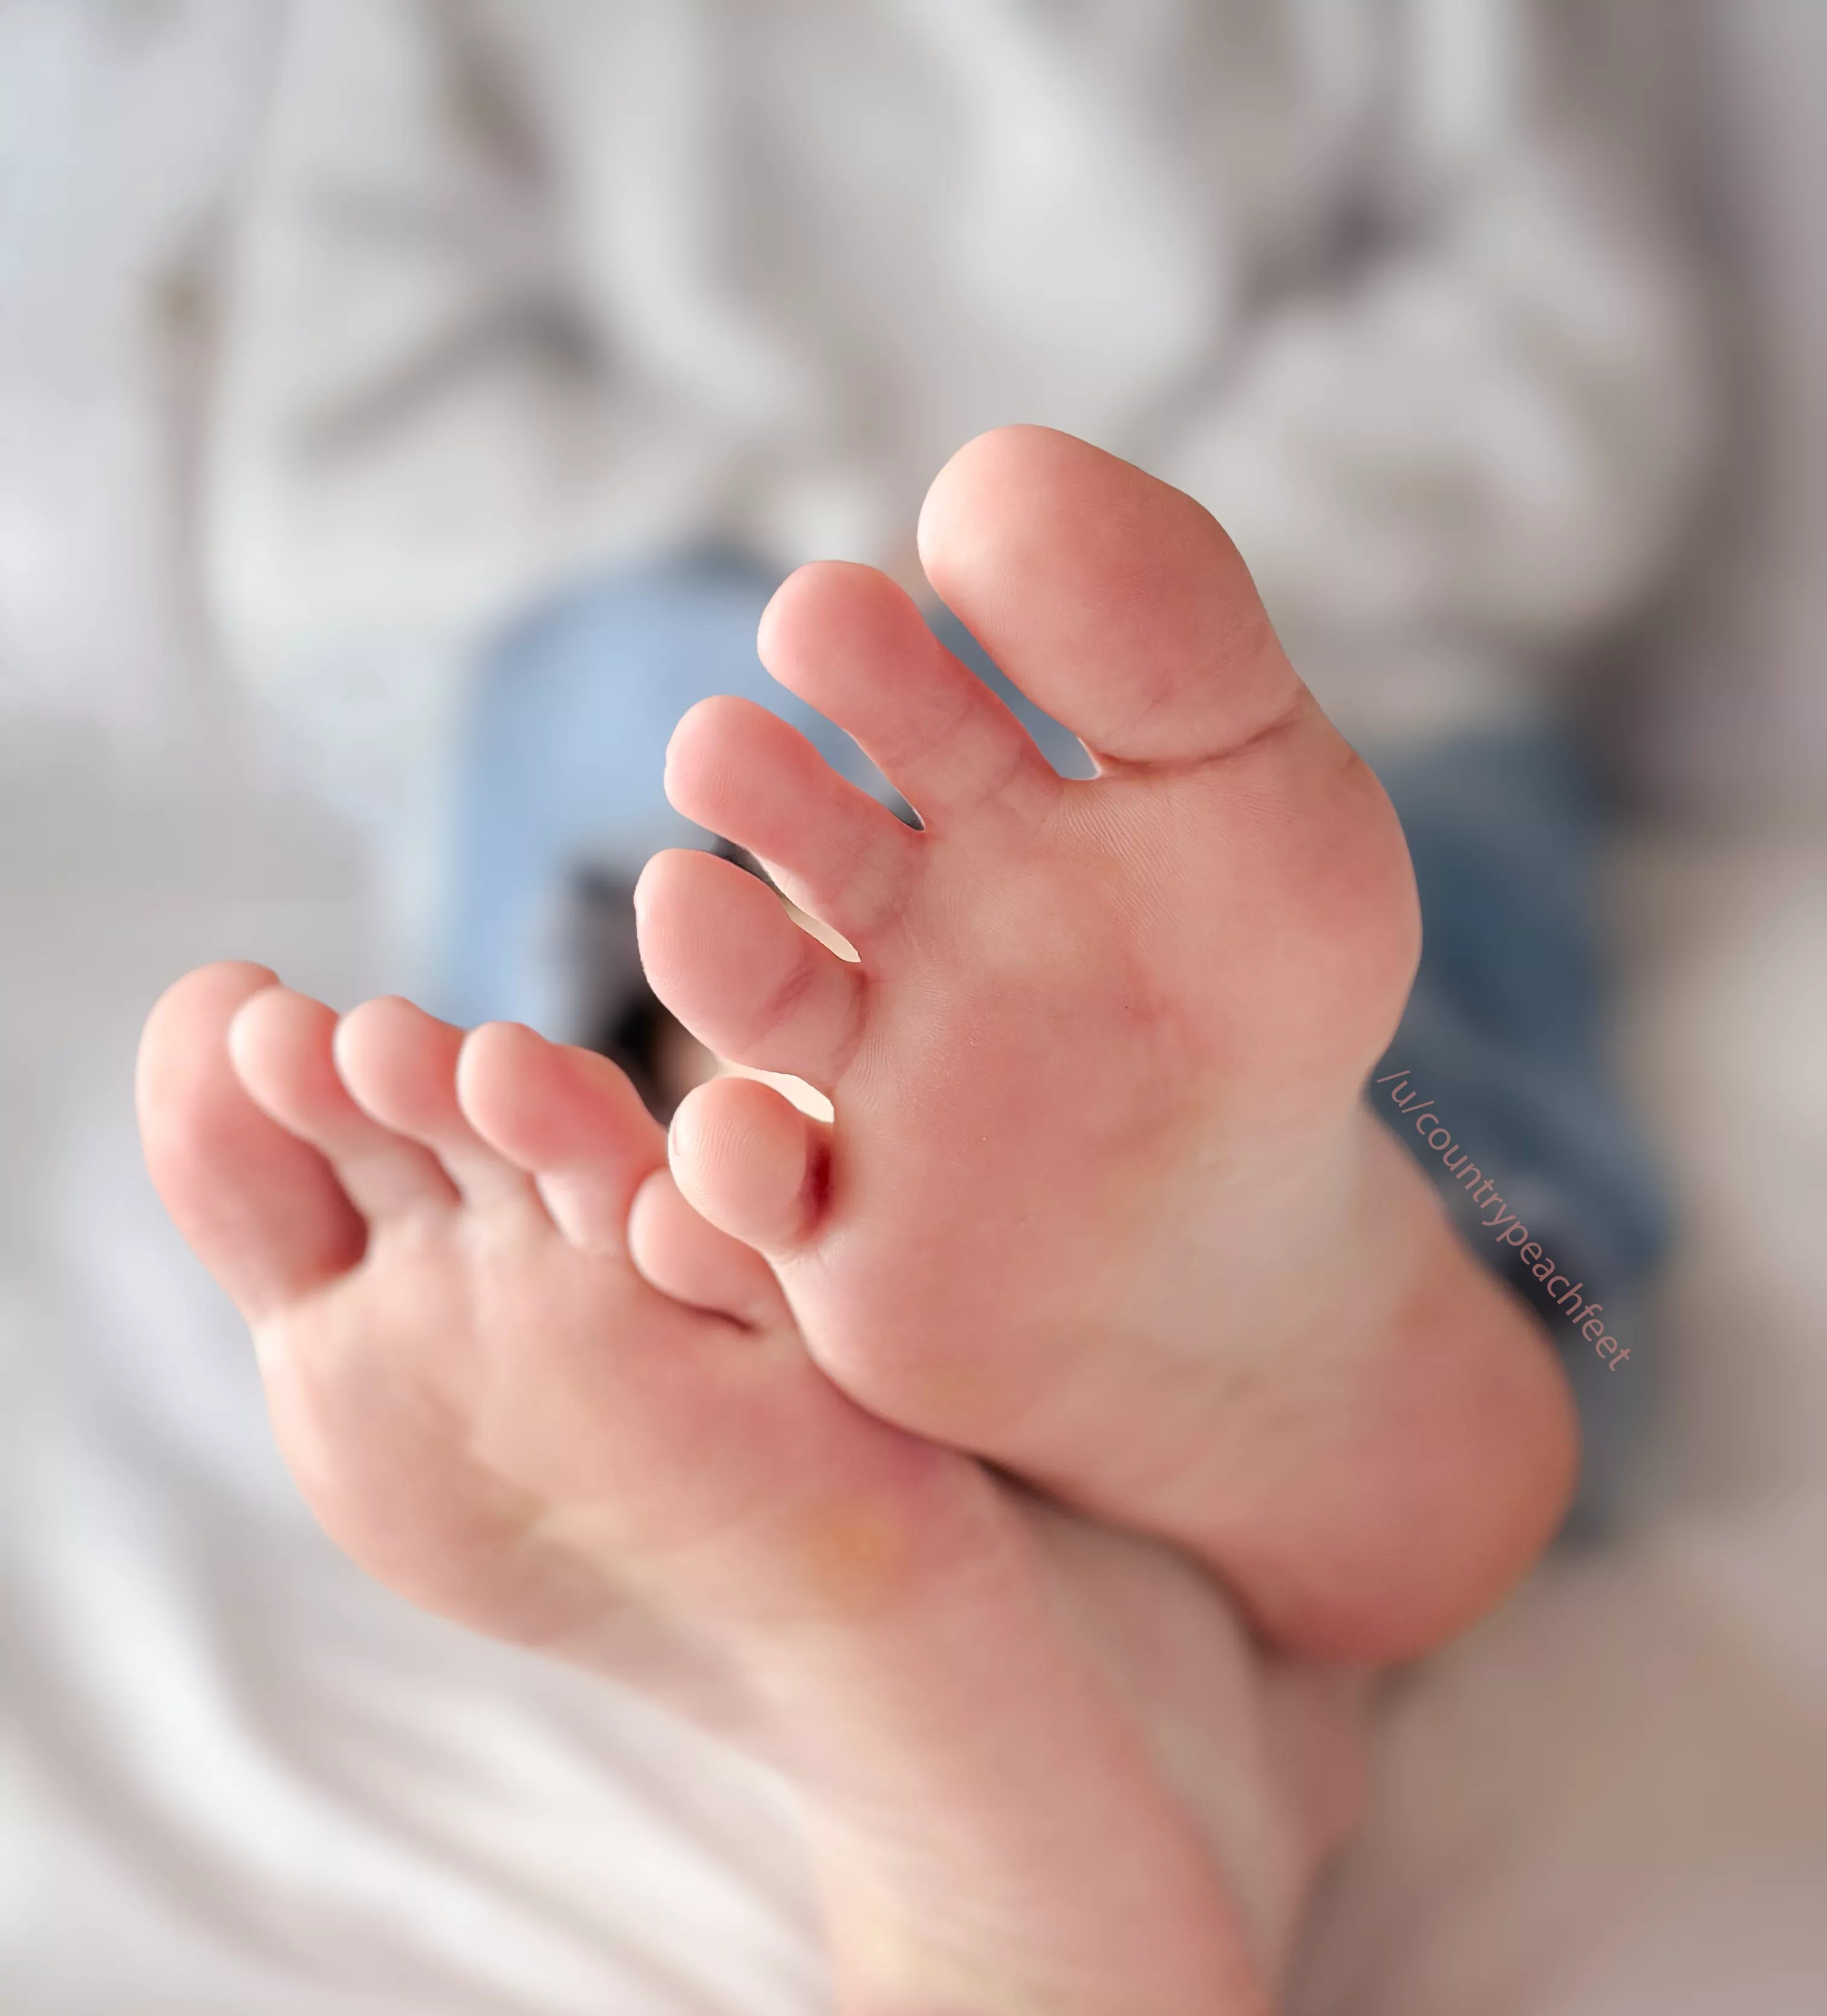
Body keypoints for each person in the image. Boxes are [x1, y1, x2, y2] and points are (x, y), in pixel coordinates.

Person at [140, 425, 1580, 2016]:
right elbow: (345, 476)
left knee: (756, 918)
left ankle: (802, 1241)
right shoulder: (481, 129)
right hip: (719, 616)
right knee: (726, 787)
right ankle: (1244, 1498)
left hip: (1271, 667)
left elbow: (1578, 400)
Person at [206, 0, 1707, 1490]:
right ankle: (1192, 1326)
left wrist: (1126, 597)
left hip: (1324, 665)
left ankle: (1196, 1297)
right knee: (647, 744)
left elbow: (1579, 365)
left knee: (1351, 920)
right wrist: (877, 582)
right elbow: (342, 486)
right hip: (709, 640)